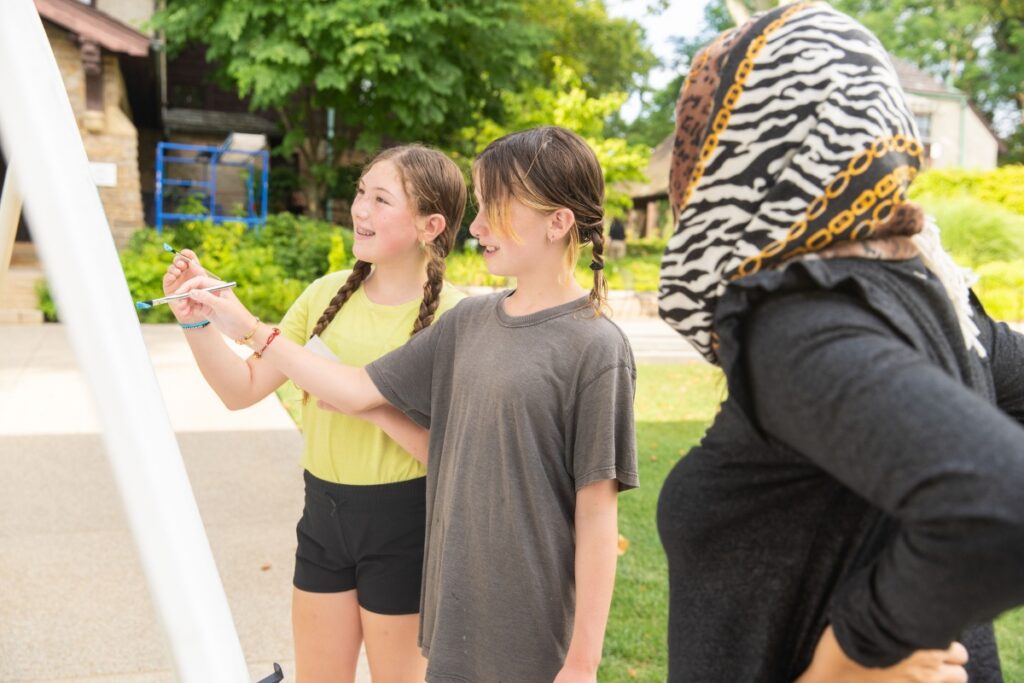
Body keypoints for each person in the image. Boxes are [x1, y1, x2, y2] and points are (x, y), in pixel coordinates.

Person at [174, 125, 639, 683]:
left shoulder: (588, 345)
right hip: (410, 579)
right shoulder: (466, 322)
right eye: (360, 192)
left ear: (559, 221)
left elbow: (592, 512)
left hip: (477, 582)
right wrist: (221, 323)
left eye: (496, 207)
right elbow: (347, 390)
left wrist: (583, 663)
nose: (479, 226)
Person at [657, 4, 1024, 682]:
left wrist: (857, 655)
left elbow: (1003, 503)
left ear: (758, 142)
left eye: (702, 128)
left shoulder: (798, 318)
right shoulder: (931, 297)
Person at [161, 144, 468, 683]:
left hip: (405, 526)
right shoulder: (327, 294)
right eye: (359, 193)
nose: (360, 209)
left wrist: (366, 405)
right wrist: (199, 319)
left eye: (381, 199)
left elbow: (451, 454)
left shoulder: (458, 317)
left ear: (430, 224)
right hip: (323, 515)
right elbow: (242, 388)